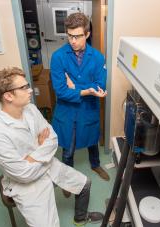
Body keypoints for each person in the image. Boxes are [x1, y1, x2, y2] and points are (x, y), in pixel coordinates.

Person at [0, 67, 103, 227]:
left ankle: (80, 218)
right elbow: (24, 174)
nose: (31, 90)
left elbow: (53, 139)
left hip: (48, 166)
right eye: (24, 87)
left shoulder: (31, 109)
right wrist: (40, 146)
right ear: (8, 96)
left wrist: (31, 156)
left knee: (85, 184)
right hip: (27, 186)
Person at [50, 12, 110, 186]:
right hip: (67, 111)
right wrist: (86, 91)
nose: (73, 41)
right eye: (69, 36)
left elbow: (100, 86)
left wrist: (74, 88)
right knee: (68, 148)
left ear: (87, 34)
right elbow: (60, 91)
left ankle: (95, 165)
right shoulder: (58, 57)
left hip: (88, 110)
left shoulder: (98, 57)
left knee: (92, 141)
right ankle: (67, 179)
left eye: (77, 36)